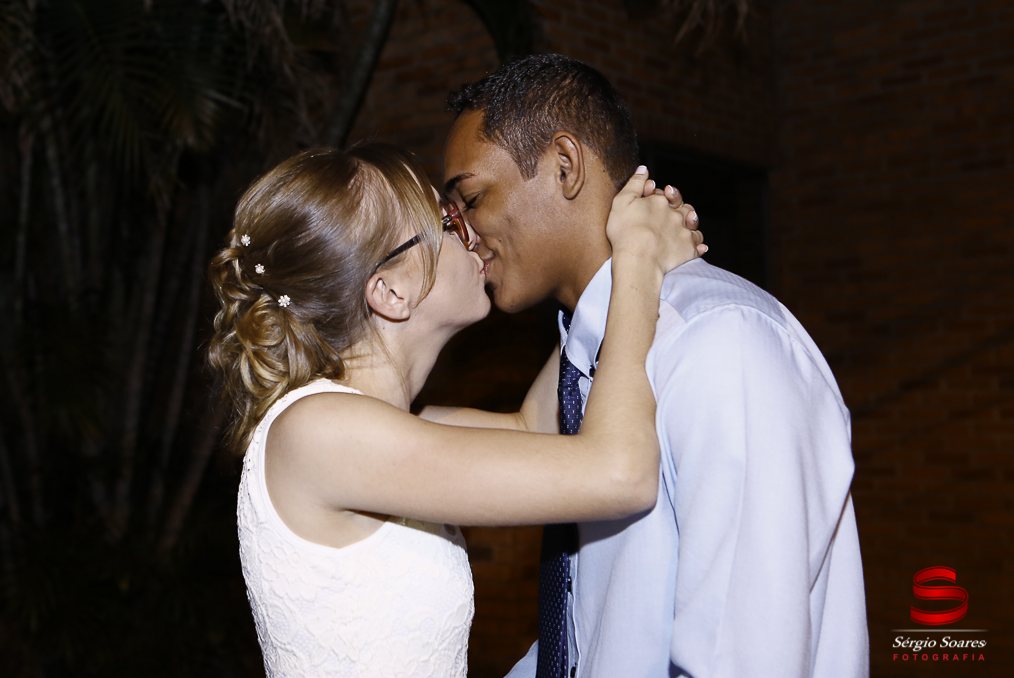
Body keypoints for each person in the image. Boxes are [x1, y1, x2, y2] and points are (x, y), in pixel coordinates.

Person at [438, 53, 868, 678]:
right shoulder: (591, 355)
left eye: (471, 199)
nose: (461, 234)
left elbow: (739, 657)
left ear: (564, 166)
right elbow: (597, 635)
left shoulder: (719, 343)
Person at [207, 141, 704, 677]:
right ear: (390, 291)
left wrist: (601, 266)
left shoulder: (400, 432)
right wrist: (637, 265)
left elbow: (535, 426)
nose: (470, 230)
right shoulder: (317, 431)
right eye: (443, 221)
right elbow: (619, 474)